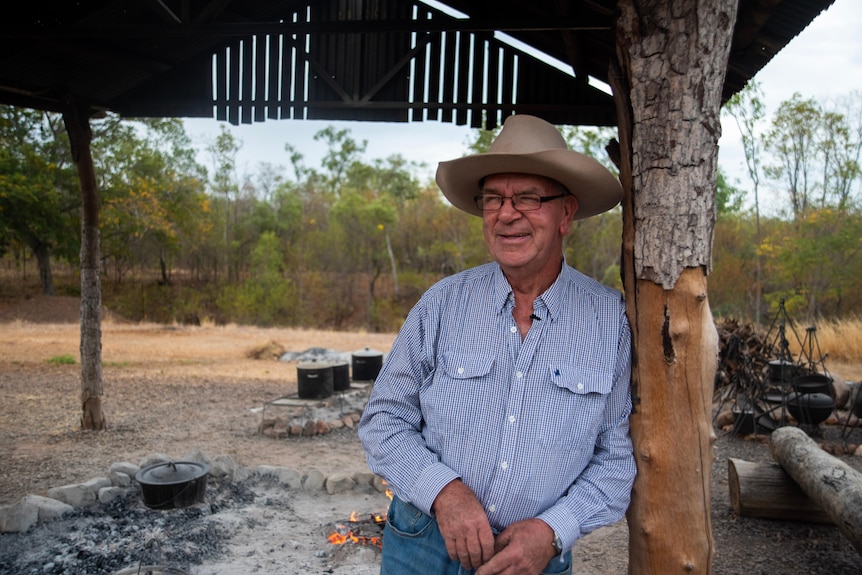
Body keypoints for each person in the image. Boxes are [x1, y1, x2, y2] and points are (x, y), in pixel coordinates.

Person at [358, 114, 636, 575]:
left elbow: (615, 460)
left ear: (566, 213)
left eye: (529, 197)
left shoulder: (609, 320)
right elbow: (384, 421)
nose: (507, 214)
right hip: (423, 543)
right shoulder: (440, 305)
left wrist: (552, 532)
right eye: (494, 199)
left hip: (534, 559)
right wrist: (445, 492)